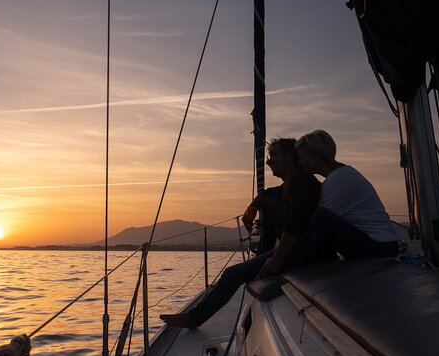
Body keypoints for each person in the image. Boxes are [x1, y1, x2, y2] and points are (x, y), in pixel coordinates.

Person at [160, 138, 320, 329]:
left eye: (272, 155)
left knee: (231, 274)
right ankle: (261, 257)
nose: (268, 161)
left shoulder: (301, 182)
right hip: (299, 248)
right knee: (266, 201)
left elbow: (296, 225)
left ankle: (194, 319)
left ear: (289, 157)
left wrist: (277, 259)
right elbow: (267, 195)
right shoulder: (291, 184)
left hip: (302, 253)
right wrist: (254, 205)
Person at [294, 130, 399, 263]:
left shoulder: (338, 179)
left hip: (379, 248)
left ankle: (294, 265)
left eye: (302, 157)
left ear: (317, 156)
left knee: (322, 216)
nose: (299, 163)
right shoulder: (342, 175)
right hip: (381, 245)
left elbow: (319, 226)